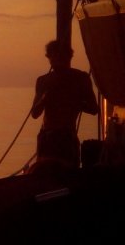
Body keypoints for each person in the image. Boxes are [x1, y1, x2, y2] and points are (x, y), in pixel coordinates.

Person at [30, 39, 98, 167]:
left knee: (68, 174)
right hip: (47, 138)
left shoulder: (81, 78)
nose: (57, 61)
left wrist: (75, 100)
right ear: (49, 58)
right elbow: (34, 113)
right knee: (44, 175)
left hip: (67, 138)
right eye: (53, 57)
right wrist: (44, 99)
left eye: (61, 57)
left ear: (69, 57)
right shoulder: (43, 81)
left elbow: (94, 109)